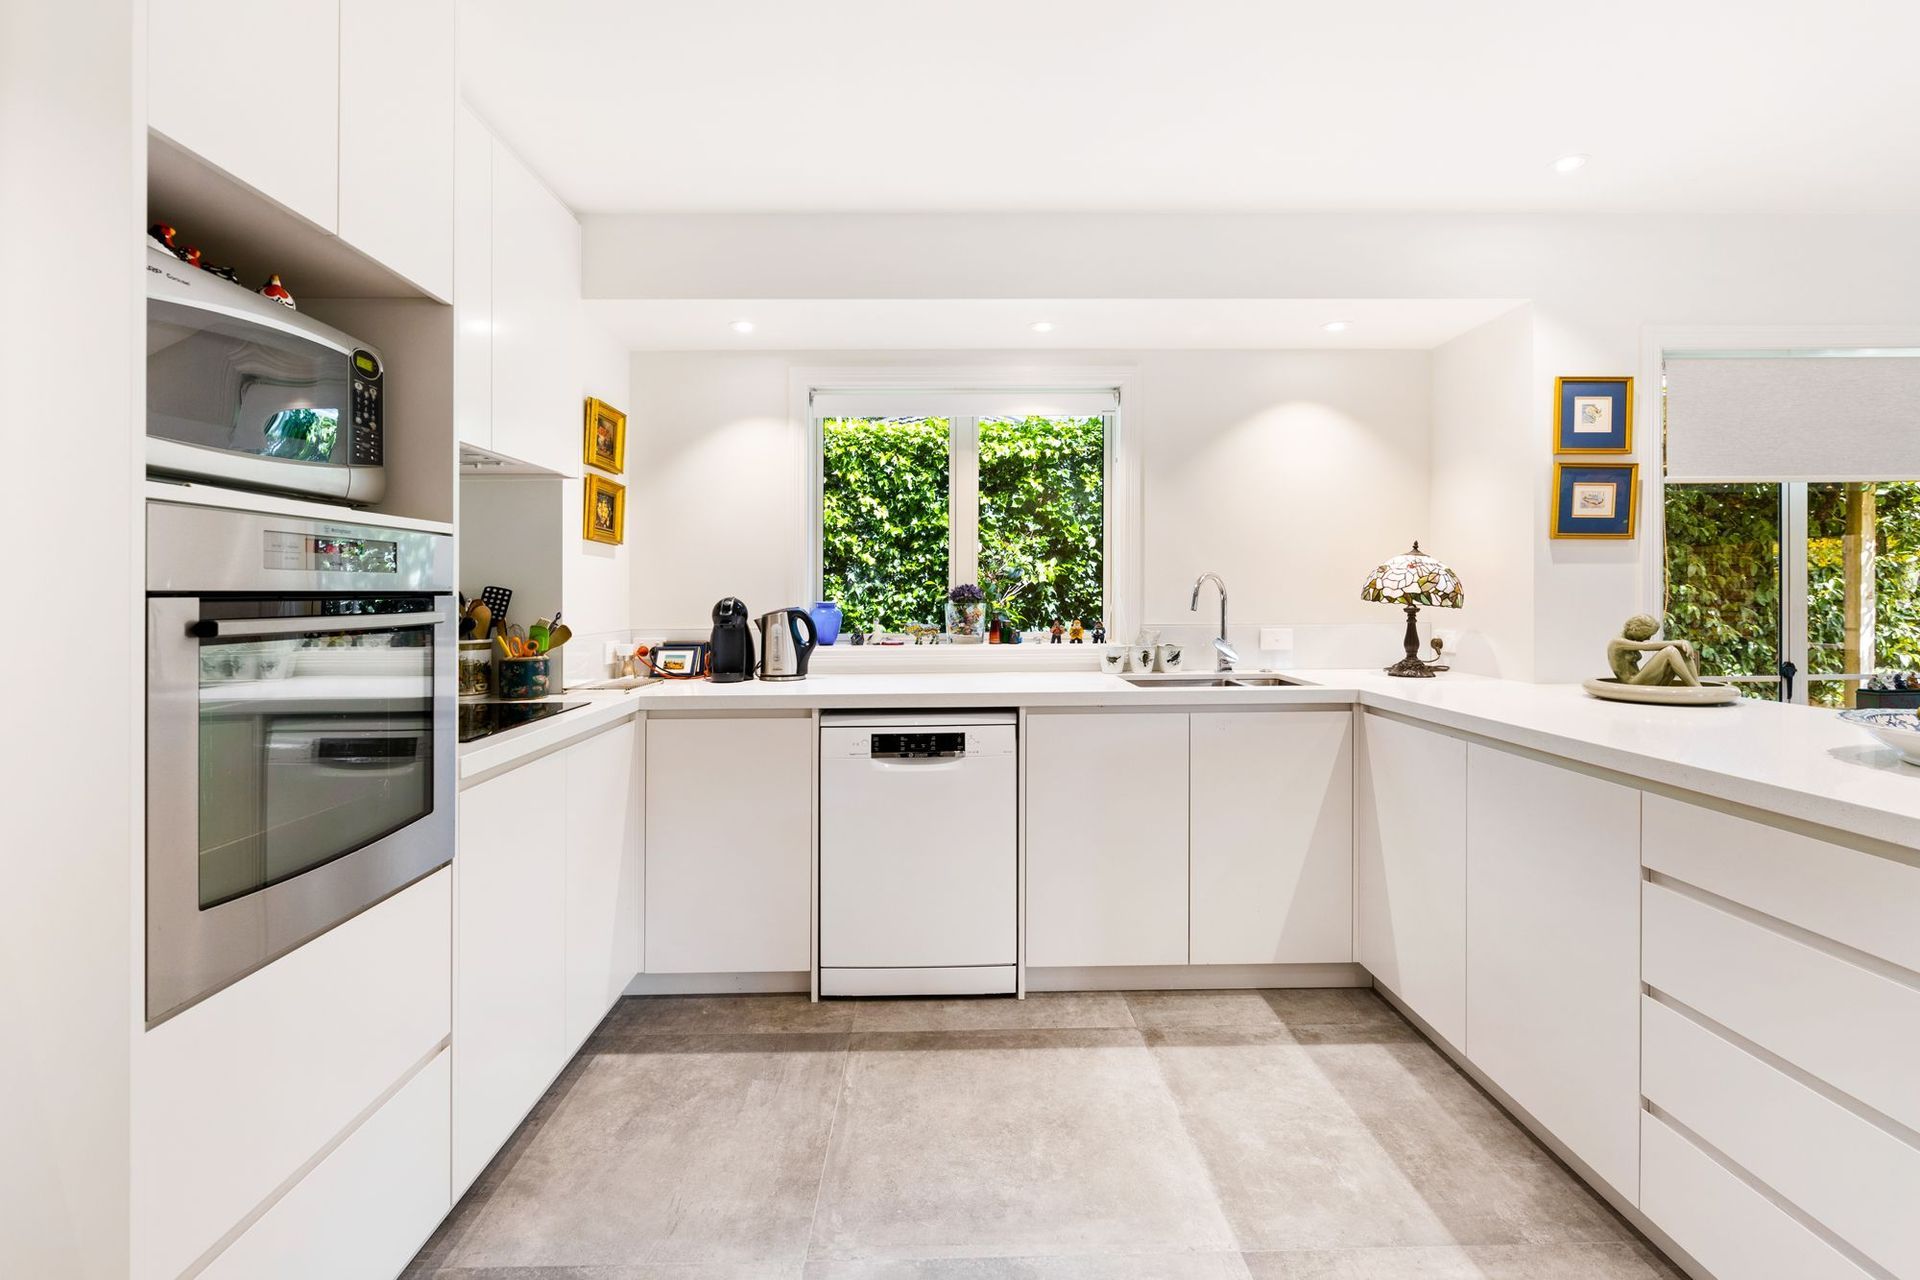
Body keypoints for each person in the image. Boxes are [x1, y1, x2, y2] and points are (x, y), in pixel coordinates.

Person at [1608, 614, 1701, 687]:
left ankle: (1697, 684)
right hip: (1632, 683)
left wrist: (1681, 644)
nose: (1648, 638)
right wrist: (1678, 642)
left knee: (1681, 650)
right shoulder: (1617, 642)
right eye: (1646, 635)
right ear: (1634, 629)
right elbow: (1645, 646)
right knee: (1670, 651)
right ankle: (1694, 687)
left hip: (1641, 679)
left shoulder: (1630, 639)